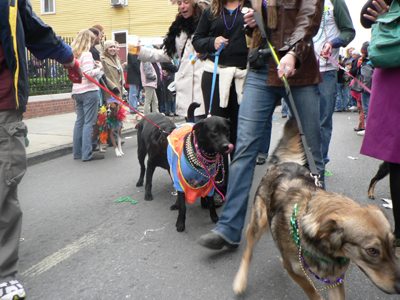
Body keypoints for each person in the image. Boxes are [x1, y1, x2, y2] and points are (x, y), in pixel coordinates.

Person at [198, 0, 325, 249]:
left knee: (311, 152)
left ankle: (319, 226)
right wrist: (255, 22)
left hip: (299, 68)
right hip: (261, 68)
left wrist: (292, 52)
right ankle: (229, 228)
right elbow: (261, 24)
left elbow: (309, 17)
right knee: (243, 148)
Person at [0, 0, 82, 298]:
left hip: (4, 102)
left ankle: (3, 272)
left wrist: (69, 59)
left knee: (3, 188)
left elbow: (33, 28)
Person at [192, 0, 251, 202]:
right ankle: (218, 185)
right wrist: (211, 43)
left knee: (240, 133)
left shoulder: (254, 7)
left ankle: (239, 185)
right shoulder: (211, 11)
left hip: (244, 76)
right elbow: (197, 40)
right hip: (215, 77)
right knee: (216, 132)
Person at [359, 0, 400, 245]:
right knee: (396, 157)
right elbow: (366, 16)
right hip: (391, 69)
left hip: (391, 70)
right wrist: (387, 18)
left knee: (397, 158)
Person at [137, 0, 207, 120]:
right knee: (190, 130)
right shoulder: (178, 27)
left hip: (204, 82)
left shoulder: (207, 20)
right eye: (179, 3)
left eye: (186, 2)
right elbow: (167, 54)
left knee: (204, 130)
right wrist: (141, 51)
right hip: (186, 86)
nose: (182, 6)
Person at [314, 0, 355, 166]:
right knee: (301, 119)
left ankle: (320, 164)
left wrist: (333, 43)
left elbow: (349, 31)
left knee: (323, 119)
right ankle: (304, 161)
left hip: (326, 70)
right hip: (302, 70)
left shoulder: (335, 2)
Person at [71, 29, 104, 162]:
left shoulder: (75, 56)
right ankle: (87, 154)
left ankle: (77, 153)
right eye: (91, 41)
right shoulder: (87, 55)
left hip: (77, 91)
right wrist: (100, 69)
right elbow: (89, 74)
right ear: (87, 41)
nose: (92, 43)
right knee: (89, 124)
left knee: (79, 122)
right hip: (89, 91)